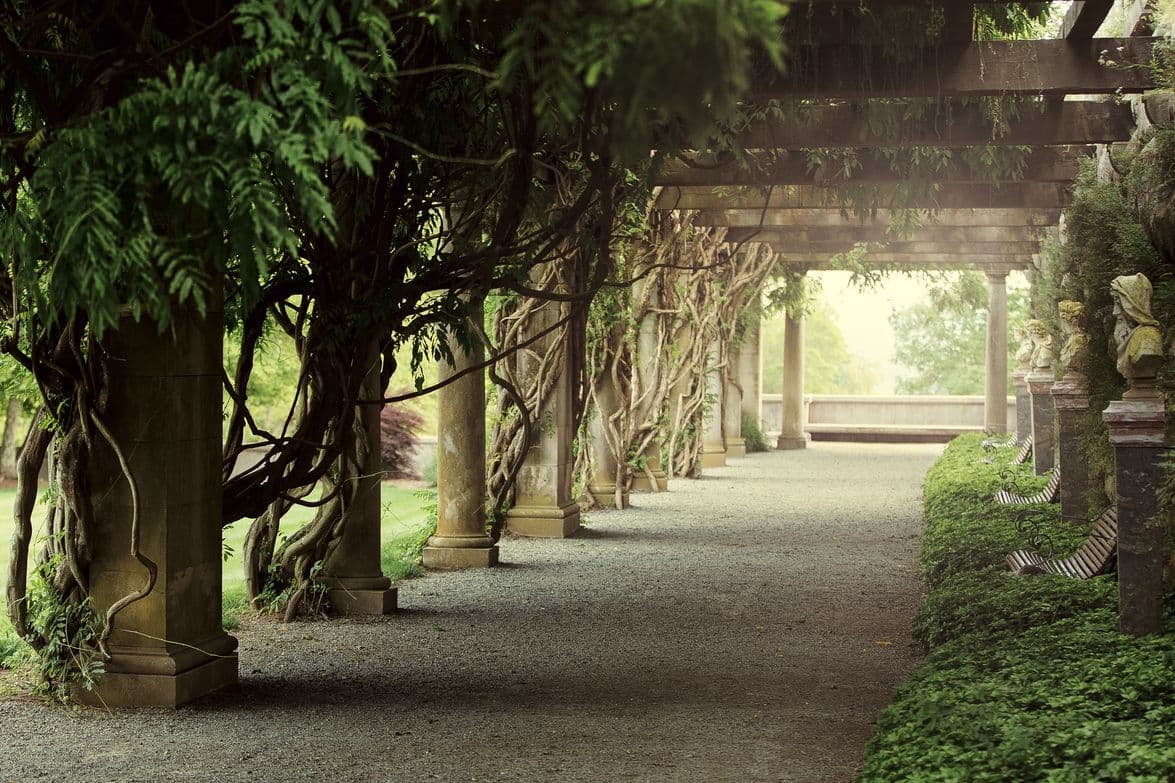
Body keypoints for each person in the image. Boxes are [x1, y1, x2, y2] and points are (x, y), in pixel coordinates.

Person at [1109, 273, 1163, 387]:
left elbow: (1147, 357)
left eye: (1119, 304)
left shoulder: (1148, 338)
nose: (1115, 312)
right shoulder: (1136, 335)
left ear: (1134, 305)